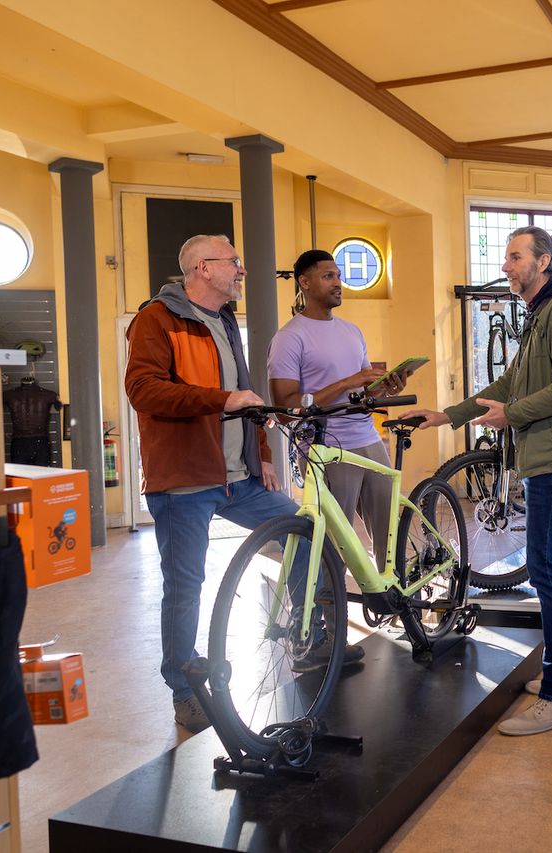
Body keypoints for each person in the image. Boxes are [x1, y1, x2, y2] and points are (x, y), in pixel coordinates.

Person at [405, 226, 552, 737]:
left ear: (544, 262)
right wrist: (449, 416)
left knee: (546, 569)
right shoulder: (540, 313)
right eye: (506, 257)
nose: (506, 266)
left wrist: (512, 415)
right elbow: (512, 382)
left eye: (515, 257)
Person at [125, 234, 309, 734]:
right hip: (184, 479)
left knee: (303, 532)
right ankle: (183, 691)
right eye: (234, 262)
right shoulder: (157, 319)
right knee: (186, 587)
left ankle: (308, 635)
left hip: (238, 479)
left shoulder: (226, 322)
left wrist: (262, 454)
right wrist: (218, 400)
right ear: (203, 269)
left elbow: (246, 396)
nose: (242, 270)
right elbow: (142, 390)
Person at [268, 249, 404, 660]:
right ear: (305, 283)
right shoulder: (290, 336)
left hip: (368, 439)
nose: (337, 282)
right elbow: (286, 403)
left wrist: (383, 388)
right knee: (331, 544)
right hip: (327, 448)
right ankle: (325, 634)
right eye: (327, 275)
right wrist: (349, 381)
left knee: (389, 531)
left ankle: (399, 603)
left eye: (338, 274)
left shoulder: (351, 331)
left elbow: (359, 395)